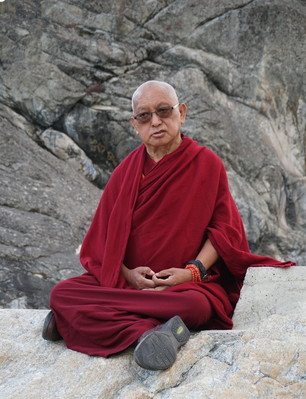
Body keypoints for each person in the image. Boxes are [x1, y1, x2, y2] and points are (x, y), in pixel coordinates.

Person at [42, 80, 295, 370]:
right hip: (129, 286)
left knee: (196, 307)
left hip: (184, 287)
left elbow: (224, 232)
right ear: (134, 124)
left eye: (164, 111)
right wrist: (128, 275)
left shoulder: (206, 163)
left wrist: (191, 273)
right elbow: (101, 242)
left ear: (182, 113)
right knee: (62, 292)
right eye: (144, 116)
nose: (156, 122)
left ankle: (77, 321)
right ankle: (151, 334)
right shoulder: (125, 172)